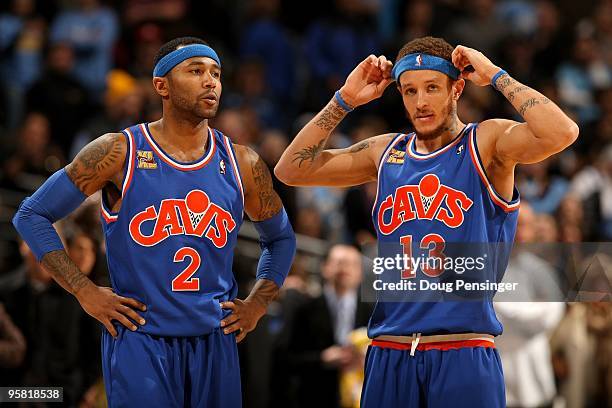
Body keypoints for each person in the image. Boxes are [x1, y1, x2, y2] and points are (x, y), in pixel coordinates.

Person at [275, 36, 578, 407]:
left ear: (457, 88)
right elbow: (291, 169)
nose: (420, 102)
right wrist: (344, 100)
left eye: (432, 88)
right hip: (389, 349)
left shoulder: (486, 142)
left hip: (463, 348)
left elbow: (562, 132)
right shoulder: (384, 152)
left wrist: (497, 75)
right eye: (409, 91)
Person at [13, 36, 296, 407]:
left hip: (215, 342)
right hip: (141, 342)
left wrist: (257, 303)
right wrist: (84, 291)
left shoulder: (243, 163)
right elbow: (31, 215)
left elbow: (281, 239)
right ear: (161, 85)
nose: (211, 81)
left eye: (216, 73)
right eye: (196, 71)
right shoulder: (118, 151)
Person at [287, 244, 372, 408]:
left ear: (360, 273)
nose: (345, 268)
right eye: (339, 262)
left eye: (352, 264)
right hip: (314, 394)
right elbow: (286, 356)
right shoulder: (304, 309)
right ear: (325, 267)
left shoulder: (372, 313)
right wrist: (322, 358)